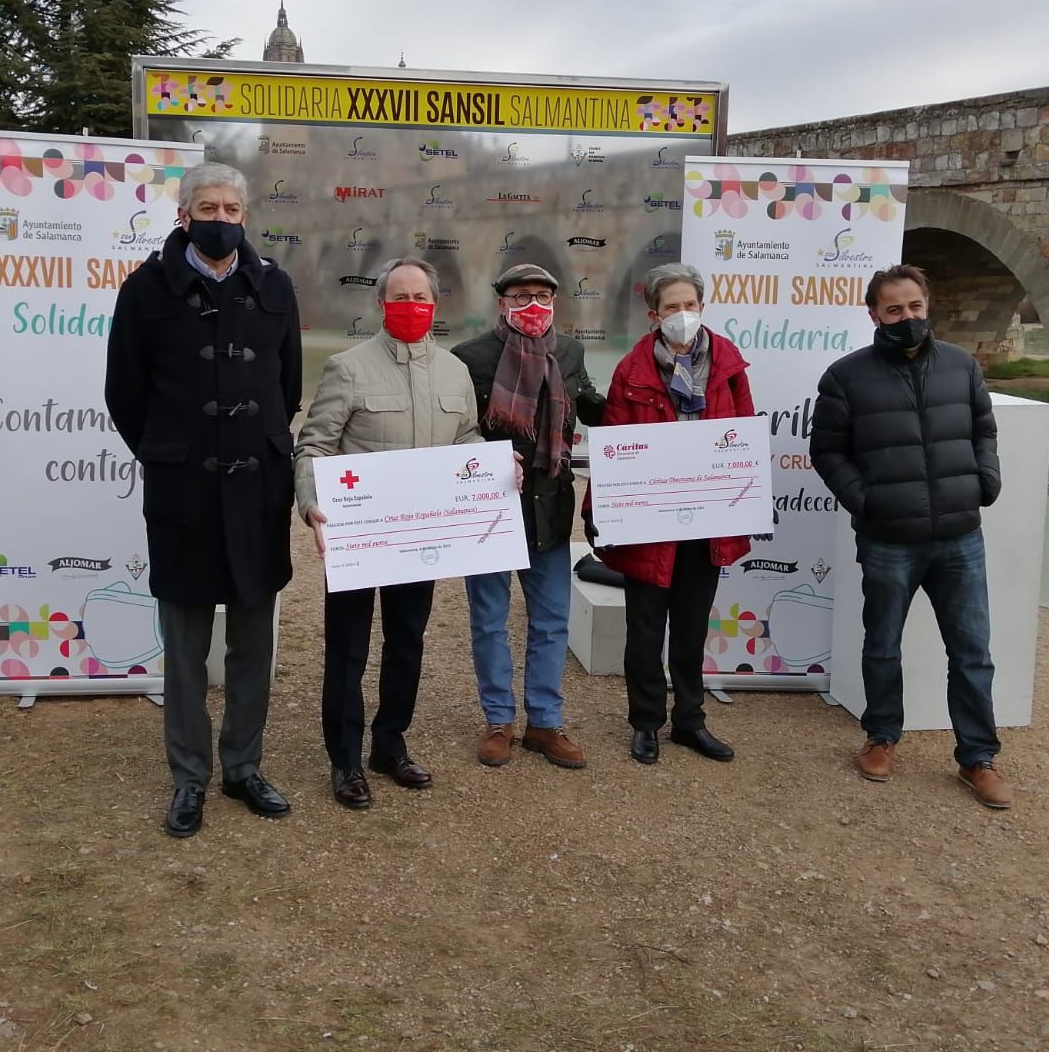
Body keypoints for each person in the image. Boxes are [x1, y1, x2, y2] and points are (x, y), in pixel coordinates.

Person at [105, 162, 303, 839]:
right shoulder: (145, 290)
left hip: (257, 490)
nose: (221, 218)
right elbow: (124, 393)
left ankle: (243, 766)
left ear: (244, 215)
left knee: (253, 638)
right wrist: (171, 450)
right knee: (185, 642)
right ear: (184, 214)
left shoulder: (275, 286)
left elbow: (288, 385)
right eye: (208, 206)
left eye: (231, 207)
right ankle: (188, 776)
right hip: (183, 491)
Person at [809, 263, 1012, 808]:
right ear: (874, 314)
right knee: (882, 646)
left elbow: (983, 429)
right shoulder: (845, 376)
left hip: (959, 537)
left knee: (972, 651)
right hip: (888, 538)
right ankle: (881, 738)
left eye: (915, 307)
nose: (907, 318)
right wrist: (867, 500)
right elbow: (827, 452)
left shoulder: (962, 366)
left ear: (928, 306)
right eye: (894, 309)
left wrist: (985, 482)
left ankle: (978, 758)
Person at [295, 257, 482, 809]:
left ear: (436, 303)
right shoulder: (348, 368)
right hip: (359, 539)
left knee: (407, 643)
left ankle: (390, 743)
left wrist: (499, 467)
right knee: (348, 649)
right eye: (398, 297)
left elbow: (467, 436)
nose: (410, 306)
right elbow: (314, 446)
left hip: (420, 538)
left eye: (419, 296)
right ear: (381, 305)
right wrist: (311, 504)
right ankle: (345, 759)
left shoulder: (454, 371)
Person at [584, 263, 755, 766]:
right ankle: (645, 723)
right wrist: (603, 513)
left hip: (707, 523)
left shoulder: (728, 364)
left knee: (691, 629)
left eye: (690, 305)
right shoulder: (631, 371)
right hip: (649, 523)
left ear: (702, 307)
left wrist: (742, 500)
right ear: (653, 314)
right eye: (672, 307)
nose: (682, 315)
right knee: (644, 632)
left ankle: (690, 721)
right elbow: (612, 445)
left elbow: (741, 434)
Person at [452, 264, 605, 769]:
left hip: (550, 506)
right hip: (489, 508)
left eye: (542, 296)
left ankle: (545, 721)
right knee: (490, 620)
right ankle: (499, 718)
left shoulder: (570, 352)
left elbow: (591, 410)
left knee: (551, 621)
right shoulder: (470, 358)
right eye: (521, 296)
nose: (533, 305)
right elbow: (454, 432)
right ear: (501, 302)